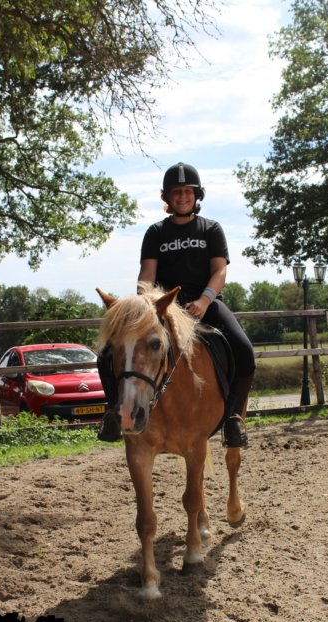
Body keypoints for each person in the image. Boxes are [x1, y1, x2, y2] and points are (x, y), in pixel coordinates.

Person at [98, 162, 255, 447]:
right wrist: (145, 307)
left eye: (187, 191)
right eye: (176, 192)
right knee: (107, 352)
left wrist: (205, 300)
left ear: (197, 195)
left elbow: (219, 271)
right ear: (167, 197)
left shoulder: (211, 229)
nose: (182, 197)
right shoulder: (155, 233)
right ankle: (113, 412)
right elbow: (147, 275)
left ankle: (233, 418)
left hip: (205, 304)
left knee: (244, 351)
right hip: (163, 307)